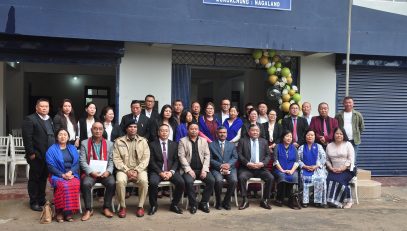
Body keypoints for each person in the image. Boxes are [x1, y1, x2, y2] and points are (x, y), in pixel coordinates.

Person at [22, 98, 55, 212]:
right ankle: (34, 201)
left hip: (48, 155)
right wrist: (31, 153)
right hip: (36, 155)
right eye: (42, 106)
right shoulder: (30, 119)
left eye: (47, 106)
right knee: (34, 179)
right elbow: (27, 138)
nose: (45, 108)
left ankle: (41, 199)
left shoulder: (49, 119)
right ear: (37, 107)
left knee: (43, 178)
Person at [79, 122, 115, 221]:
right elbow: (82, 161)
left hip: (105, 172)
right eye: (95, 129)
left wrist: (108, 171)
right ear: (91, 130)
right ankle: (88, 209)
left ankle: (106, 207)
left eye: (100, 129)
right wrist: (91, 172)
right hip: (91, 173)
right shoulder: (84, 143)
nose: (98, 131)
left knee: (112, 182)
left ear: (103, 130)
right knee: (86, 183)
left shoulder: (110, 144)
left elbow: (111, 161)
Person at [113, 121, 150, 218]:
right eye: (130, 127)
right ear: (126, 129)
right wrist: (127, 170)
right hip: (123, 170)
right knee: (120, 181)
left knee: (144, 181)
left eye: (135, 127)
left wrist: (137, 170)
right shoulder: (119, 141)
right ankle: (122, 206)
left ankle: (140, 206)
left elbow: (146, 159)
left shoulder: (143, 141)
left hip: (140, 169)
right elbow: (116, 159)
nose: (133, 129)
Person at [178, 122, 215, 214]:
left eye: (196, 129)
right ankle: (193, 204)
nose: (194, 131)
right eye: (192, 129)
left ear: (198, 130)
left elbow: (207, 155)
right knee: (188, 182)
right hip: (189, 170)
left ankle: (203, 203)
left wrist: (205, 169)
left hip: (202, 169)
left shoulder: (204, 140)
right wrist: (189, 170)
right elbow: (181, 157)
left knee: (211, 180)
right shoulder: (183, 141)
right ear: (188, 130)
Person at [148, 124, 185, 215]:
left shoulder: (174, 144)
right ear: (158, 132)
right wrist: (160, 172)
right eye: (162, 130)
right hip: (157, 171)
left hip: (171, 171)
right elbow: (151, 161)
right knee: (153, 183)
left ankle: (174, 204)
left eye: (166, 131)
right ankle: (153, 205)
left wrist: (171, 172)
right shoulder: (152, 145)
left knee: (181, 182)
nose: (164, 132)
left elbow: (177, 160)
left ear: (169, 133)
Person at [46, 128, 80, 222]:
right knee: (63, 185)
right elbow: (50, 166)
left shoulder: (72, 148)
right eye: (60, 134)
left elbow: (77, 163)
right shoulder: (51, 150)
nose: (63, 136)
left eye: (65, 134)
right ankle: (59, 212)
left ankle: (68, 213)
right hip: (57, 175)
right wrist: (62, 175)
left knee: (74, 184)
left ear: (68, 137)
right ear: (57, 137)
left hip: (71, 174)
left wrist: (71, 172)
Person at [237, 124, 274, 210]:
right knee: (241, 177)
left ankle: (265, 200)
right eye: (253, 130)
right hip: (247, 168)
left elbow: (268, 156)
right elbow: (239, 154)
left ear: (259, 132)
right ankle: (245, 199)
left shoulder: (264, 141)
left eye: (257, 130)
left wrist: (262, 163)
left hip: (260, 168)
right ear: (249, 132)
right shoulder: (243, 141)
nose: (255, 132)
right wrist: (247, 163)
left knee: (270, 178)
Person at [326, 127, 355, 209]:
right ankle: (332, 201)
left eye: (341, 134)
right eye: (337, 133)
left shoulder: (348, 144)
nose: (339, 135)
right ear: (334, 134)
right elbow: (327, 159)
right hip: (333, 169)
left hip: (347, 170)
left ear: (344, 135)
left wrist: (342, 168)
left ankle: (348, 201)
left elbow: (351, 159)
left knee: (339, 180)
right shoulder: (329, 145)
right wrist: (331, 167)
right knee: (328, 180)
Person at [209, 126, 238, 210]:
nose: (222, 134)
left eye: (224, 132)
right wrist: (220, 165)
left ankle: (226, 201)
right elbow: (210, 159)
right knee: (218, 181)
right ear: (217, 134)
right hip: (216, 169)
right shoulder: (211, 145)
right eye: (220, 132)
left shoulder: (231, 145)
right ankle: (218, 201)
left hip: (230, 168)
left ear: (227, 134)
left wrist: (228, 165)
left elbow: (235, 157)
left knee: (234, 180)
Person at [298, 130, 327, 208]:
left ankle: (318, 201)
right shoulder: (301, 147)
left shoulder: (319, 146)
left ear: (314, 137)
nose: (310, 137)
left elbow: (324, 158)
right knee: (305, 178)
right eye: (308, 135)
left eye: (312, 135)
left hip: (317, 169)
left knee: (320, 178)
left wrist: (316, 166)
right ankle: (305, 201)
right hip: (305, 168)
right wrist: (304, 166)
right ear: (305, 136)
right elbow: (298, 160)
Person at [273, 130, 300, 209]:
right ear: (283, 137)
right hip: (279, 169)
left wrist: (291, 170)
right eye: (287, 136)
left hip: (291, 169)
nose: (289, 138)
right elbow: (275, 160)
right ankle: (280, 198)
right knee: (282, 176)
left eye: (291, 137)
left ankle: (289, 198)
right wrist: (282, 170)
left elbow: (297, 161)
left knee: (294, 176)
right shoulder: (277, 146)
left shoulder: (294, 148)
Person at [335, 96, 364, 163]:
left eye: (350, 102)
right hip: (342, 140)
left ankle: (352, 172)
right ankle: (343, 172)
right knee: (342, 158)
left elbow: (361, 127)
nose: (348, 104)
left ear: (353, 104)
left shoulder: (358, 115)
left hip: (354, 141)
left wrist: (356, 134)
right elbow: (335, 127)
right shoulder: (338, 115)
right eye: (346, 102)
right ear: (343, 104)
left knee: (353, 159)